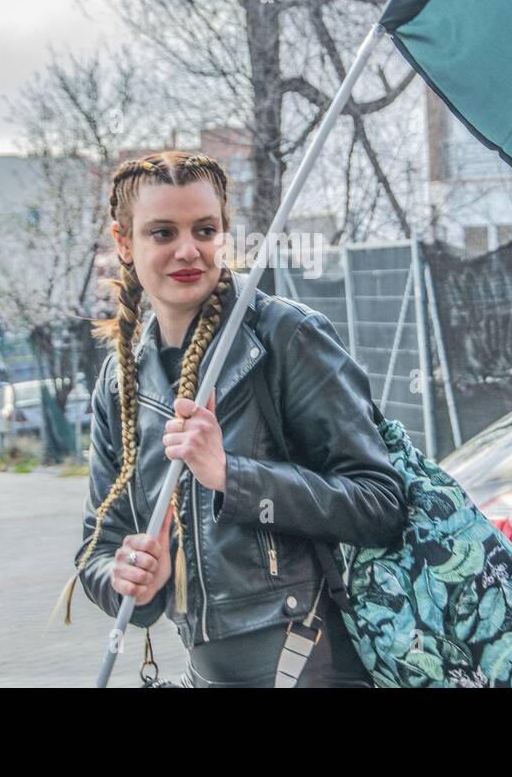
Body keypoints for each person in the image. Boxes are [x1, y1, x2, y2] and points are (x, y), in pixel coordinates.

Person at [60, 150, 405, 687]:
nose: (188, 249)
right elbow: (99, 546)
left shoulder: (284, 338)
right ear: (124, 243)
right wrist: (127, 578)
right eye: (162, 233)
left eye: (204, 229)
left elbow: (379, 504)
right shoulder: (120, 379)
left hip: (312, 663)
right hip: (203, 672)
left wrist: (231, 475)